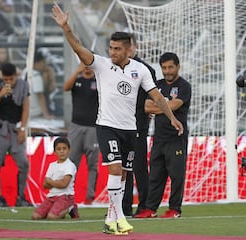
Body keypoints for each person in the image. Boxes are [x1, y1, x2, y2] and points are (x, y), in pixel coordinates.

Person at [52, 3, 183, 235]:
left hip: (130, 129)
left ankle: (113, 219)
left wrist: (172, 118)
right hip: (107, 126)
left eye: (116, 49)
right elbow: (78, 48)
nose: (112, 52)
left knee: (123, 174)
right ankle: (118, 217)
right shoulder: (101, 65)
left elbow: (157, 96)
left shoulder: (140, 70)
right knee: (114, 169)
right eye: (110, 48)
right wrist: (66, 29)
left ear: (127, 50)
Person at [134, 52, 191, 219]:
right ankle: (150, 209)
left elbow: (173, 105)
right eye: (164, 67)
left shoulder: (184, 86)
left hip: (176, 138)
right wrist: (163, 107)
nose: (167, 71)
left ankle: (175, 209)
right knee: (155, 176)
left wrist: (159, 106)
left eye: (170, 67)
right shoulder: (156, 85)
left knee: (176, 176)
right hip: (158, 138)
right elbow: (145, 106)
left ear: (178, 66)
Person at [0, 62, 32, 207]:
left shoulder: (23, 86)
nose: (8, 82)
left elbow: (26, 108)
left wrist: (23, 128)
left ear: (16, 76)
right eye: (5, 79)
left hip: (14, 128)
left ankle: (21, 197)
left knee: (23, 163)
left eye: (11, 79)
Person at [122, 33, 157, 217]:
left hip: (137, 126)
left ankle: (144, 204)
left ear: (134, 47)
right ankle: (124, 206)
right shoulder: (116, 69)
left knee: (138, 167)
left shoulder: (146, 69)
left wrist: (146, 114)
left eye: (128, 47)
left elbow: (152, 100)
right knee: (122, 167)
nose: (126, 51)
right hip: (119, 125)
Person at [63, 62, 99, 205]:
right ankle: (67, 193)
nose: (87, 66)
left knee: (92, 163)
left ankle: (90, 196)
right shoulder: (76, 80)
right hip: (76, 126)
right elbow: (65, 87)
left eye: (90, 63)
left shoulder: (99, 81)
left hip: (93, 127)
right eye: (84, 63)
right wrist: (77, 71)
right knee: (71, 162)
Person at [32, 137, 78, 220]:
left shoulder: (70, 165)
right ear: (54, 152)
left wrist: (51, 181)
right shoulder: (52, 165)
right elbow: (45, 185)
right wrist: (56, 182)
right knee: (35, 216)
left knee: (52, 217)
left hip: (65, 196)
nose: (62, 151)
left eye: (64, 148)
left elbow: (64, 184)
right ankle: (55, 209)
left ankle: (71, 207)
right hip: (51, 196)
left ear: (69, 150)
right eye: (59, 149)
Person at [23, 51, 54, 120]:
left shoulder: (25, 71)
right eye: (43, 62)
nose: (45, 65)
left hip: (25, 112)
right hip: (35, 113)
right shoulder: (36, 75)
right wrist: (46, 115)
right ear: (36, 63)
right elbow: (40, 96)